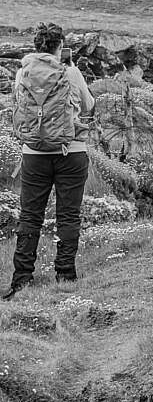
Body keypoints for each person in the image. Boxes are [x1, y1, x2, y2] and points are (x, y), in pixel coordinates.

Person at [4, 23, 94, 300]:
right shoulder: (71, 72)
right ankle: (65, 273)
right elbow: (88, 105)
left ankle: (22, 278)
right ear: (59, 46)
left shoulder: (23, 72)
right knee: (68, 214)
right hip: (72, 151)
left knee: (31, 215)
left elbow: (17, 106)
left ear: (36, 45)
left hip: (34, 154)